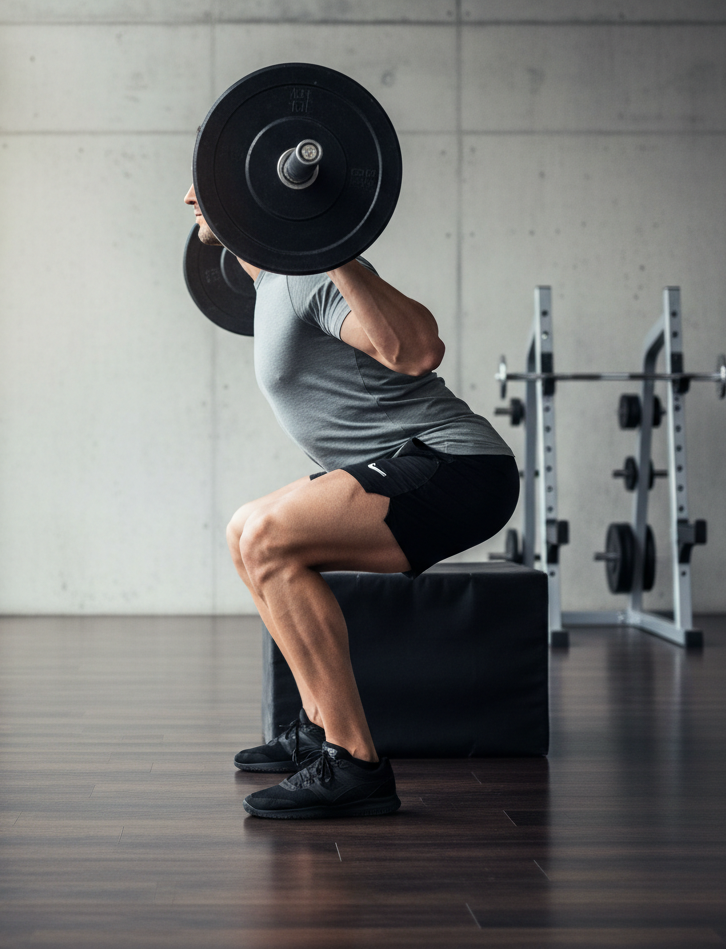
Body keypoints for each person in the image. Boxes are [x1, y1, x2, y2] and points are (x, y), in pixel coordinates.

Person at [184, 185, 519, 820]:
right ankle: (318, 725)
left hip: (454, 465)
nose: (191, 196)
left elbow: (417, 351)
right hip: (410, 465)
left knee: (267, 539)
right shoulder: (274, 286)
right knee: (243, 531)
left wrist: (338, 246)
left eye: (208, 183)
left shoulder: (313, 273)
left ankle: (355, 762)